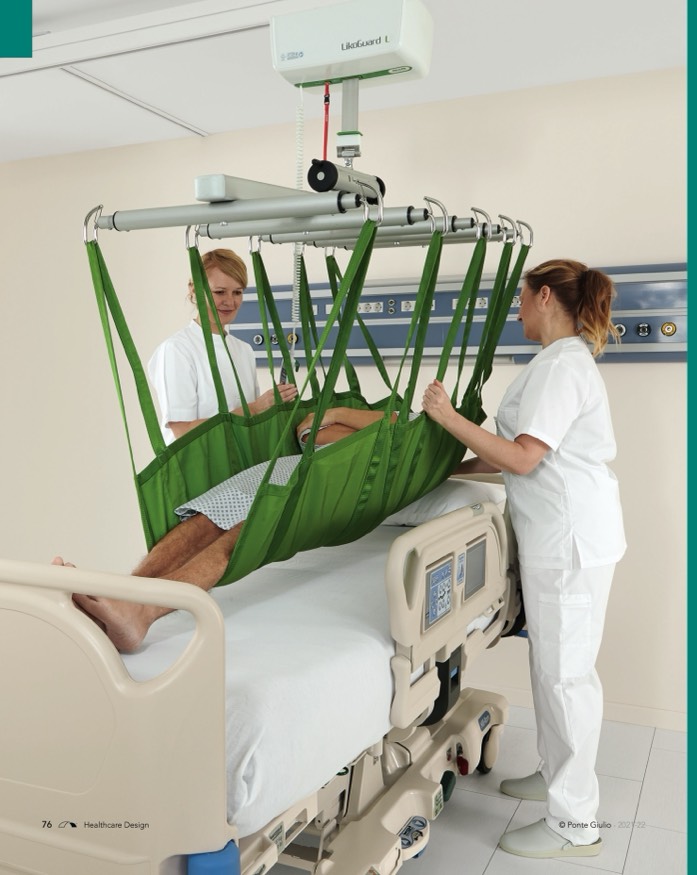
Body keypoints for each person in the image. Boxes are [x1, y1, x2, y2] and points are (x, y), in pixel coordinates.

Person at [422, 259, 626, 859]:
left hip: (570, 542)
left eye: (521, 298)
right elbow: (510, 453)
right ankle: (554, 774)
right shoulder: (554, 362)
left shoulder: (563, 367)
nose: (517, 311)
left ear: (544, 297)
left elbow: (523, 459)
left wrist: (447, 418)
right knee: (551, 669)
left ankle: (575, 825)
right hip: (557, 538)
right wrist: (449, 473)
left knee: (566, 678)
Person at [53, 406, 395, 654]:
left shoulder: (410, 437)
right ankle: (122, 601)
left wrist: (339, 415)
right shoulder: (389, 423)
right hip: (279, 469)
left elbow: (392, 426)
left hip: (323, 483)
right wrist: (350, 423)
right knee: (202, 521)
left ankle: (144, 613)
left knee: (243, 535)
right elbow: (309, 432)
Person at [148, 247, 297, 443]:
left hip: (242, 459)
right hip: (198, 461)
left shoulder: (244, 350)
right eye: (219, 292)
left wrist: (271, 406)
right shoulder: (177, 350)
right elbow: (183, 431)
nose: (230, 302)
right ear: (194, 291)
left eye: (237, 292)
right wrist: (255, 407)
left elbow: (249, 424)